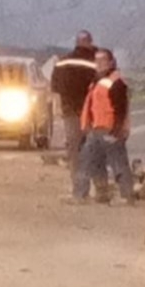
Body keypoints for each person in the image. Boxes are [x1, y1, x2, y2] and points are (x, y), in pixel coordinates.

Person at [72, 49, 134, 205]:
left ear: (111, 62)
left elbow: (121, 109)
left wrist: (117, 130)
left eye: (103, 60)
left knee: (118, 164)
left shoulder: (116, 82)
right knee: (90, 163)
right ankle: (89, 195)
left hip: (110, 130)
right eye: (96, 60)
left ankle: (126, 197)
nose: (98, 64)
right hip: (96, 130)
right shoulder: (97, 82)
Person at [51, 31, 99, 183]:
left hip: (70, 111)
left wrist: (61, 105)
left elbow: (55, 87)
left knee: (74, 148)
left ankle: (78, 185)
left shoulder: (62, 62)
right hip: (92, 112)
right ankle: (99, 187)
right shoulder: (99, 63)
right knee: (94, 148)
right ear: (90, 42)